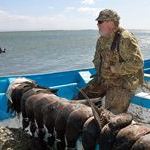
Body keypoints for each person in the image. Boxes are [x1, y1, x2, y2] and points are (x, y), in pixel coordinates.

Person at [77, 9, 144, 114]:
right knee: (80, 98)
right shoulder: (101, 40)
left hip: (123, 82)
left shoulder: (125, 38)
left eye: (100, 22)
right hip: (104, 79)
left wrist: (116, 69)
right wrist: (100, 74)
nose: (97, 24)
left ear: (110, 22)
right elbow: (97, 60)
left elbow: (137, 63)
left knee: (111, 115)